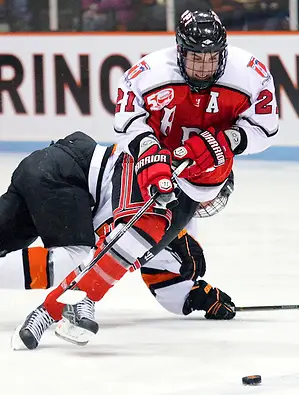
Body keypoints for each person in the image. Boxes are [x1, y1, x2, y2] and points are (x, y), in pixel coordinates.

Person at [13, 6, 278, 350]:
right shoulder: (151, 72)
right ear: (179, 50)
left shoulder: (249, 75)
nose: (202, 66)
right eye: (195, 57)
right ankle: (72, 302)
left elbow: (264, 128)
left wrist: (199, 295)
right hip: (127, 165)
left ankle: (68, 303)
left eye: (211, 57)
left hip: (161, 176)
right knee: (84, 251)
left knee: (116, 247)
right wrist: (150, 152)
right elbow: (127, 125)